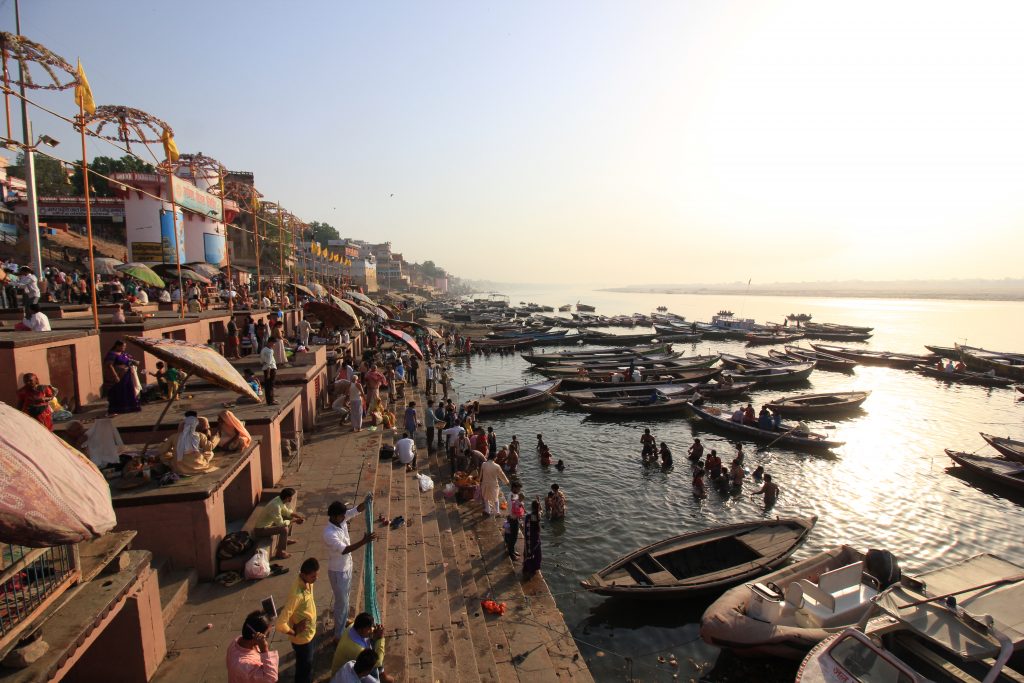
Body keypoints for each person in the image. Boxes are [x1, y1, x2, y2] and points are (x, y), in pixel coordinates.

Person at [323, 498, 376, 638]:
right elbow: (344, 549)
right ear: (334, 516)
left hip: (347, 567)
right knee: (341, 603)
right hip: (338, 571)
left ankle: (343, 620)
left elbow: (354, 511)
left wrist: (366, 503)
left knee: (345, 598)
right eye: (341, 515)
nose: (344, 517)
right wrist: (364, 541)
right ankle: (338, 634)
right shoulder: (329, 533)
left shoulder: (340, 520)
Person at [277, 558, 320, 683]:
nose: (315, 579)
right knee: (304, 669)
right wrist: (294, 630)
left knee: (305, 664)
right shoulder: (296, 595)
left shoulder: (307, 582)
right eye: (313, 576)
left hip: (309, 633)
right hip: (302, 640)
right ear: (304, 574)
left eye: (317, 575)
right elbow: (280, 624)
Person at [330, 613, 393, 683]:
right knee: (375, 665)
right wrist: (380, 638)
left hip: (345, 673)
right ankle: (383, 678)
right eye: (369, 628)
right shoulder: (356, 649)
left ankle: (383, 677)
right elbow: (377, 663)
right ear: (361, 630)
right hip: (344, 674)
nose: (372, 630)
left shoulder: (352, 627)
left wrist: (375, 634)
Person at [226, 610, 279, 683]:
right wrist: (264, 650)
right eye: (267, 634)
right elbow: (271, 678)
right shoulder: (244, 665)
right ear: (256, 636)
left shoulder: (237, 641)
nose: (267, 637)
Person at [255, 488, 305, 560]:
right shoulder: (275, 506)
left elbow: (287, 512)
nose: (292, 498)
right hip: (261, 530)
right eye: (292, 496)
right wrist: (294, 520)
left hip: (270, 524)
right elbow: (281, 524)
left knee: (288, 519)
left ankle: (284, 540)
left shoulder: (279, 499)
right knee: (284, 529)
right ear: (288, 498)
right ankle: (280, 553)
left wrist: (297, 516)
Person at [104, 340, 142, 415]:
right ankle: (117, 409)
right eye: (122, 346)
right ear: (117, 346)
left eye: (125, 346)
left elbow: (129, 360)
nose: (124, 348)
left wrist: (134, 361)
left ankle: (129, 407)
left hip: (127, 375)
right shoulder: (112, 354)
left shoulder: (123, 354)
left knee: (128, 390)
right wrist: (115, 376)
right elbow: (109, 365)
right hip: (119, 376)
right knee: (119, 391)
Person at [479, 452, 510, 516]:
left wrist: (478, 481)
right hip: (494, 484)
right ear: (494, 458)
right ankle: (497, 511)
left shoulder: (483, 464)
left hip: (485, 484)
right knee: (495, 498)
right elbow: (502, 475)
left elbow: (480, 474)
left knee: (486, 498)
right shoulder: (497, 466)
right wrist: (507, 482)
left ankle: (487, 510)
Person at [522, 499, 543, 580]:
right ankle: (533, 568)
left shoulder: (528, 516)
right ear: (537, 507)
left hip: (528, 538)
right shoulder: (538, 515)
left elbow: (525, 526)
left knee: (528, 552)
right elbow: (541, 511)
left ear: (532, 507)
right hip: (535, 538)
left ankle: (527, 567)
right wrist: (539, 503)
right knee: (536, 553)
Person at [260, 341, 278, 405]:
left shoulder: (263, 349)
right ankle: (271, 400)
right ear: (270, 343)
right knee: (271, 386)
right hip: (270, 369)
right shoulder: (269, 351)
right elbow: (269, 363)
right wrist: (268, 373)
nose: (274, 345)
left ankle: (269, 400)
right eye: (273, 343)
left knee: (267, 386)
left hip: (265, 368)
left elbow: (262, 361)